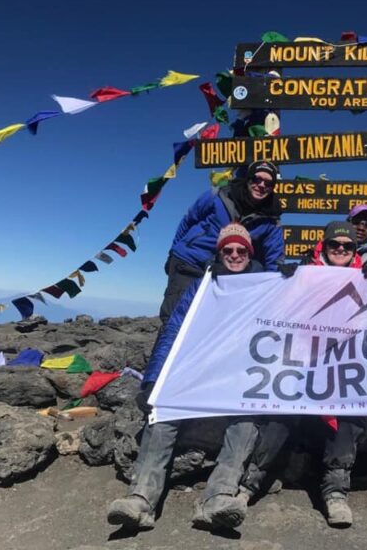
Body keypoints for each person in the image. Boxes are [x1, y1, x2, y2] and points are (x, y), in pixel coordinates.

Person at [107, 224, 269, 531]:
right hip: (198, 375)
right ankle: (141, 500)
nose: (234, 255)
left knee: (248, 419)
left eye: (241, 250)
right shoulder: (201, 286)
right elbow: (173, 331)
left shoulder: (264, 287)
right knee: (163, 410)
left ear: (250, 253)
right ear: (219, 253)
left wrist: (292, 280)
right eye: (228, 250)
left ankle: (218, 499)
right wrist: (154, 380)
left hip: (239, 379)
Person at [243, 221, 366, 528]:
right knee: (279, 408)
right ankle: (249, 484)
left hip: (339, 368)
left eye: (347, 246)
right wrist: (282, 282)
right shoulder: (302, 275)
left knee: (347, 413)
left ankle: (335, 491)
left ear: (354, 251)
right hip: (299, 364)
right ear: (322, 246)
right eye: (334, 245)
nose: (340, 249)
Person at [158, 161, 284, 325]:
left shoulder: (271, 219)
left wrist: (277, 283)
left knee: (210, 326)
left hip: (225, 273)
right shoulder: (217, 196)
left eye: (268, 183)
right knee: (174, 321)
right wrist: (173, 252)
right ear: (247, 179)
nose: (261, 185)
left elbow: (274, 258)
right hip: (190, 263)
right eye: (256, 179)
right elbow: (188, 221)